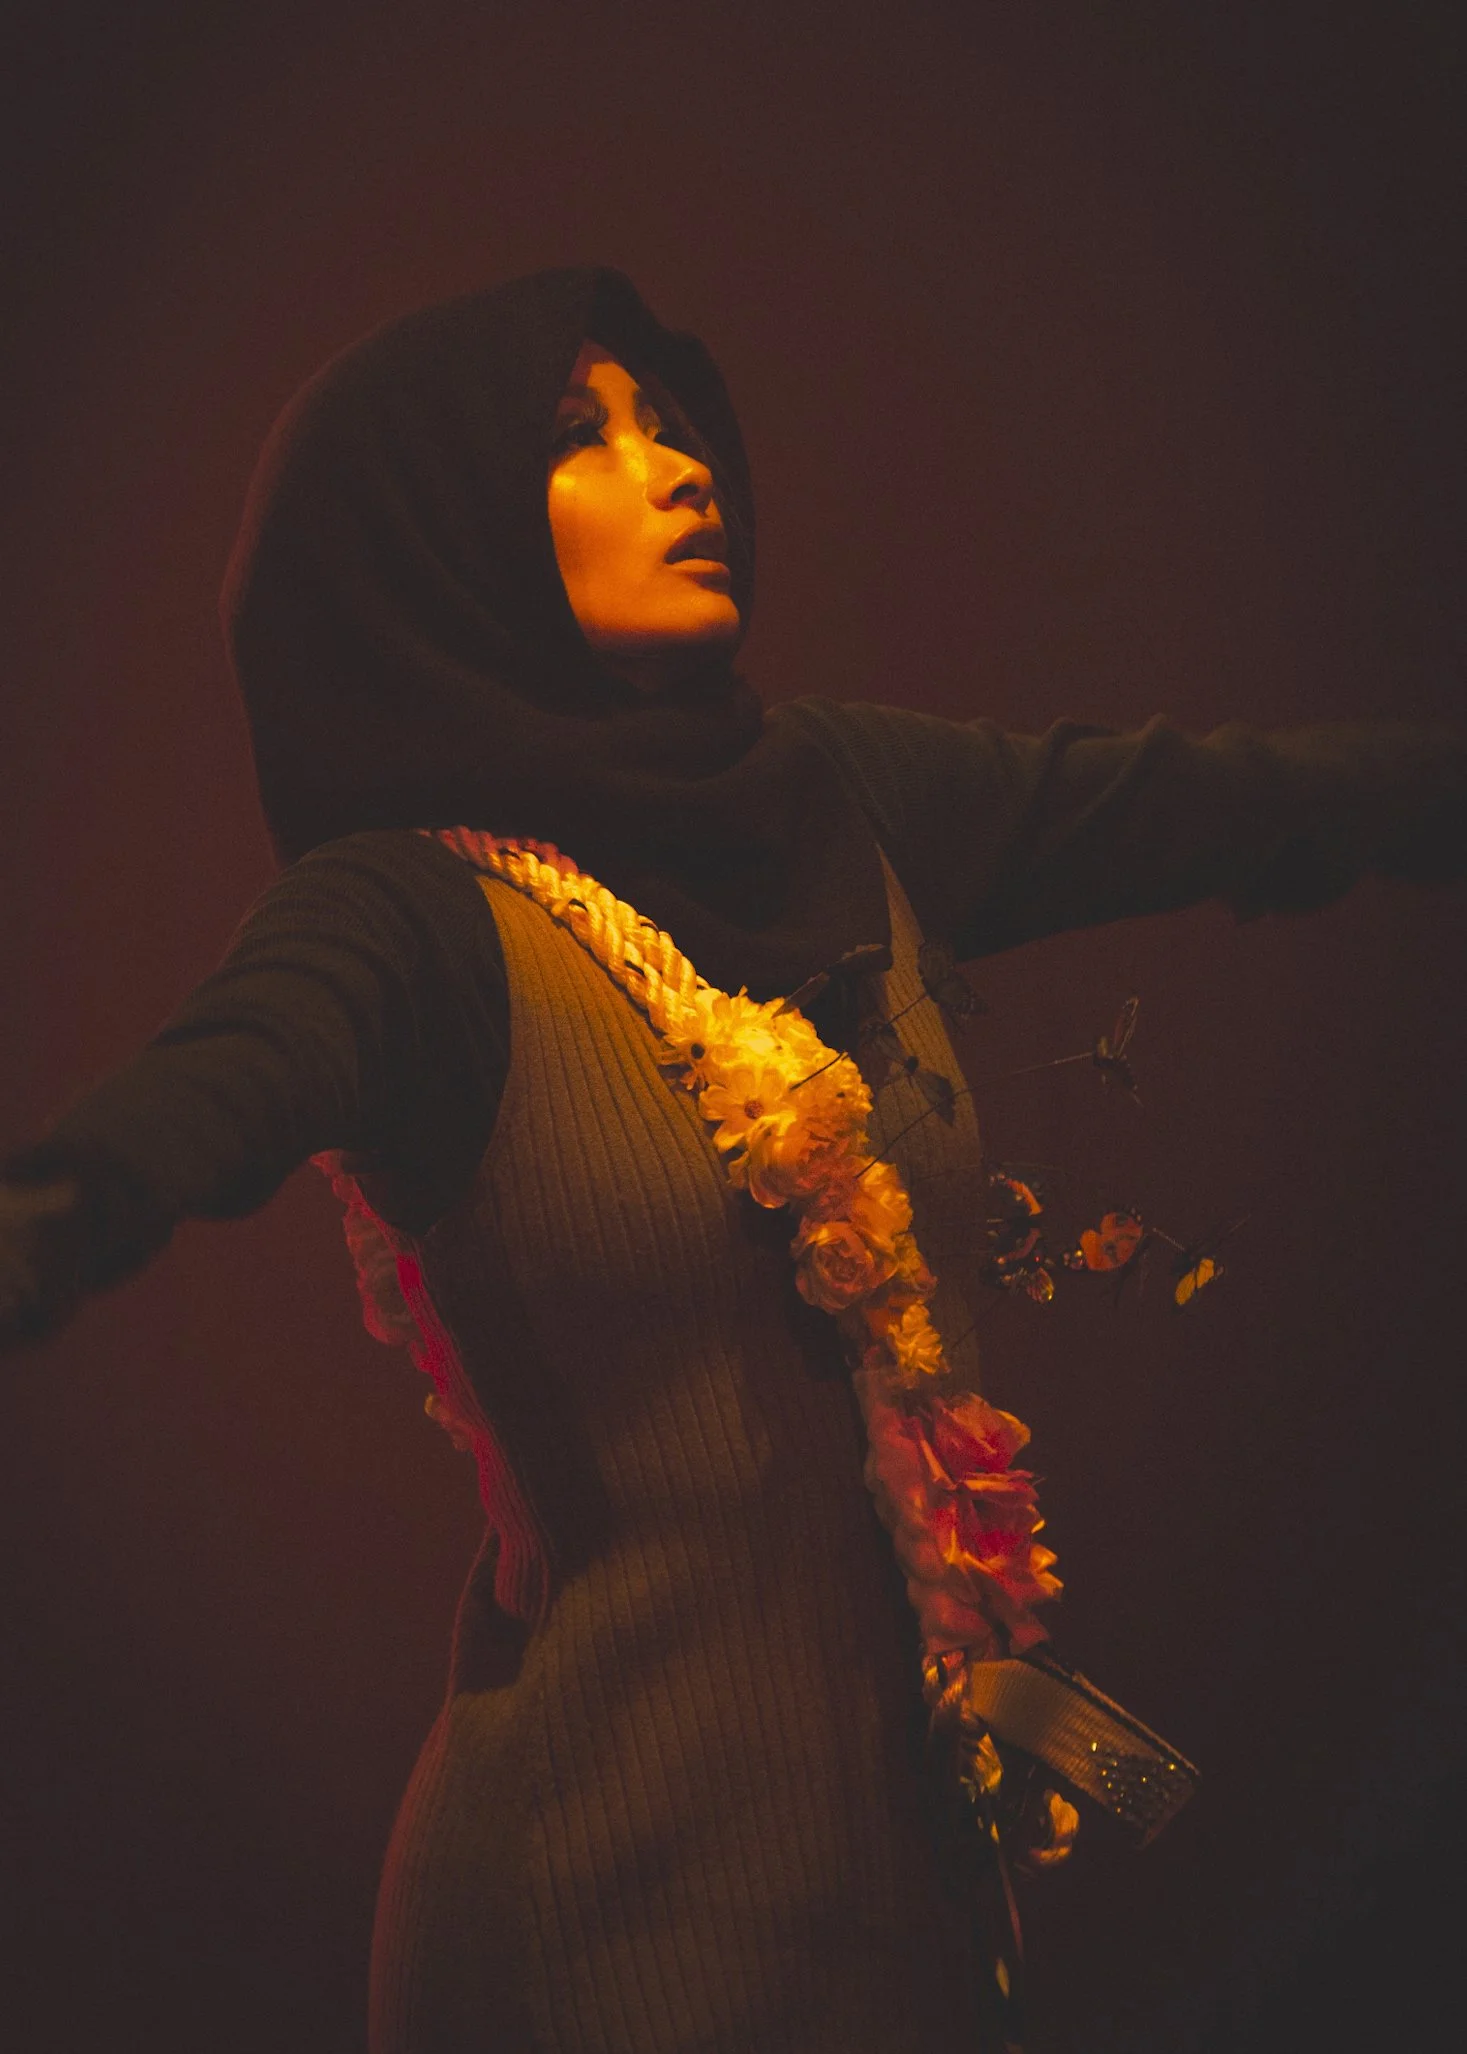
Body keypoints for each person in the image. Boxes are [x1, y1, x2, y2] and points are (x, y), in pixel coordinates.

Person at [1, 267, 1463, 2054]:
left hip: (913, 1921)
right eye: (581, 437)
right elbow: (181, 1116)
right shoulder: (406, 919)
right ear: (432, 535)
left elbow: (1235, 802)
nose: (680, 465)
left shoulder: (836, 798)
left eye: (671, 422)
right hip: (598, 1925)